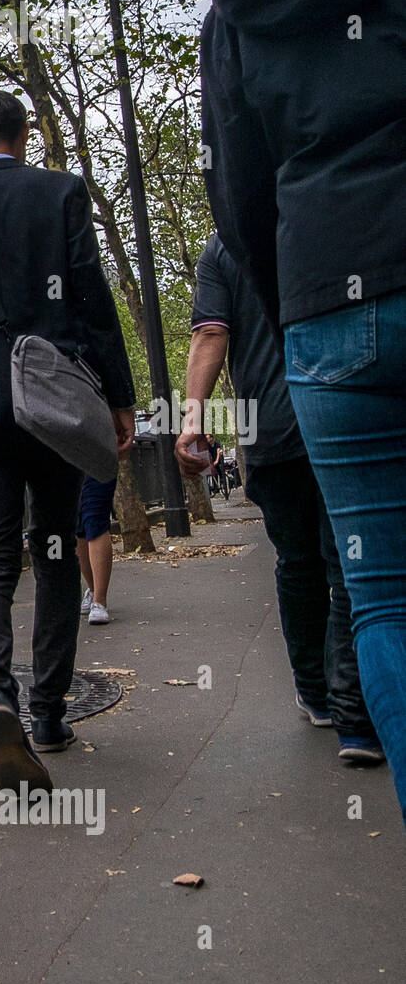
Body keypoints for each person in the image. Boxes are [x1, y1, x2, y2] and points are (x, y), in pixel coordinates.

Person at [201, 0, 406, 819]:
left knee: (378, 594)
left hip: (325, 308)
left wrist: (294, 306)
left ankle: (345, 711)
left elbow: (238, 196)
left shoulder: (244, 0)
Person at [0, 89, 136, 793]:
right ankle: (47, 713)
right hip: (53, 406)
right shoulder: (63, 193)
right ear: (26, 132)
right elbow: (91, 299)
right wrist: (121, 397)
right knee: (54, 551)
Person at [178, 233, 384, 766]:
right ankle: (354, 714)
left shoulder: (223, 247)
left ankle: (317, 694)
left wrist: (193, 418)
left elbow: (210, 333)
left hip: (270, 429)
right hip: (341, 412)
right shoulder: (320, 214)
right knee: (346, 565)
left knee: (297, 563)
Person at [76, 474, 116, 625]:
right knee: (78, 525)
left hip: (98, 458)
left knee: (95, 517)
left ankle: (99, 600)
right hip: (67, 459)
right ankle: (93, 592)